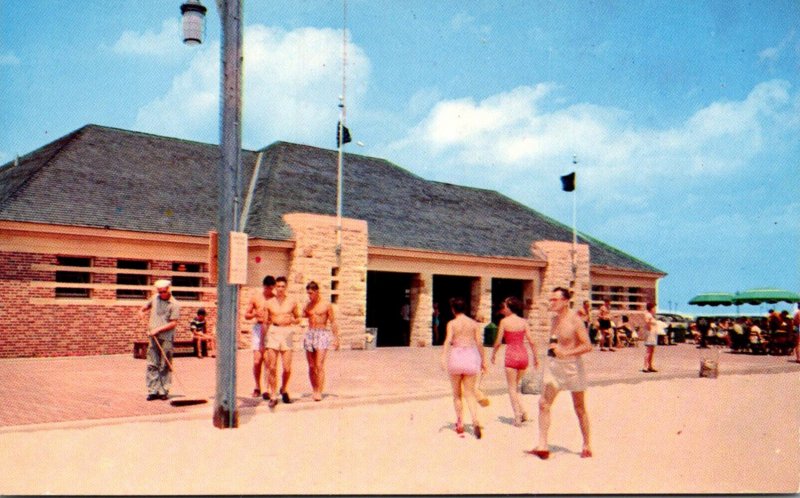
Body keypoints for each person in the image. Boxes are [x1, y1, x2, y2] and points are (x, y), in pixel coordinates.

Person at [527, 287, 593, 459]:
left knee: (579, 408)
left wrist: (567, 353)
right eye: (551, 299)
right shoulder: (554, 320)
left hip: (572, 368)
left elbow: (587, 345)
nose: (552, 303)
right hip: (555, 367)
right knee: (543, 403)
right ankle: (543, 445)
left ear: (565, 301)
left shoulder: (575, 320)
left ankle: (586, 444)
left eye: (555, 300)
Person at [441, 297, 487, 439]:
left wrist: (443, 357)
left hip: (456, 356)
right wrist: (483, 360)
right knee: (470, 393)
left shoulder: (452, 323)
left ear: (453, 309)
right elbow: (479, 343)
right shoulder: (474, 324)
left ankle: (460, 422)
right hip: (470, 356)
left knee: (457, 394)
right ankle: (474, 419)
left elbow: (448, 341)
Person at [491, 296, 539, 427]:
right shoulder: (524, 322)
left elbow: (498, 342)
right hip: (523, 355)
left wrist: (493, 354)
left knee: (512, 388)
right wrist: (536, 358)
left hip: (511, 355)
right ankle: (523, 411)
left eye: (505, 306)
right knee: (516, 387)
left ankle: (517, 415)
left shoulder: (504, 322)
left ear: (509, 308)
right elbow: (531, 341)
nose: (503, 308)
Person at [263, 276, 301, 409]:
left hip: (287, 333)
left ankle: (284, 389)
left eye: (282, 286)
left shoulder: (292, 301)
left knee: (287, 368)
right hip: (273, 332)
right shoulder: (269, 302)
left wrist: (293, 321)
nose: (280, 289)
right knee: (272, 366)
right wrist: (264, 340)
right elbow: (265, 322)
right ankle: (273, 395)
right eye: (277, 286)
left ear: (286, 287)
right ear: (275, 287)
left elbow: (298, 318)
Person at [139, 279, 180, 401]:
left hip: (166, 337)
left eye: (164, 291)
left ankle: (163, 390)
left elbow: (173, 323)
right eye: (160, 291)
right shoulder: (154, 298)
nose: (161, 294)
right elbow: (145, 307)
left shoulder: (175, 304)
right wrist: (141, 311)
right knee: (152, 363)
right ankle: (153, 390)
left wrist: (158, 330)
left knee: (165, 364)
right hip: (153, 336)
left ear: (169, 290)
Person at [303, 281, 340, 401]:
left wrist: (336, 338)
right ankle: (314, 389)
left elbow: (333, 321)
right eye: (308, 293)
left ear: (317, 292)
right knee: (311, 365)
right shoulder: (308, 306)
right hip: (310, 334)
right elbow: (300, 316)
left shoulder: (326, 305)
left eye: (311, 293)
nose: (309, 295)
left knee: (319, 364)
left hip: (322, 333)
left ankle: (319, 390)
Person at [244, 275, 276, 398]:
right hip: (258, 328)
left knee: (268, 361)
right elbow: (246, 315)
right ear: (263, 286)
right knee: (257, 360)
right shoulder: (256, 298)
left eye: (271, 287)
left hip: (270, 328)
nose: (269, 290)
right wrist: (254, 314)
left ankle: (267, 388)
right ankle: (257, 386)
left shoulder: (275, 299)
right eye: (267, 287)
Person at [642, 303, 659, 372]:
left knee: (652, 351)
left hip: (653, 334)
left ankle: (650, 366)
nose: (655, 309)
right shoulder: (648, 315)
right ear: (651, 308)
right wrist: (649, 328)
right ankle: (645, 366)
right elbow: (647, 322)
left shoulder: (652, 315)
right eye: (654, 308)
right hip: (650, 334)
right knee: (648, 351)